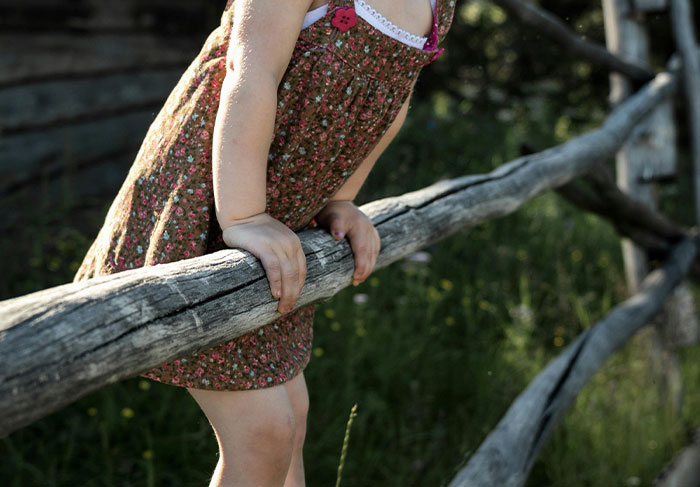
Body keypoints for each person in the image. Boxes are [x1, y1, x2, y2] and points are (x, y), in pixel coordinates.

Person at [73, 0, 455, 485]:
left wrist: (340, 198)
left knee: (290, 422)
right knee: (263, 432)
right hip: (209, 208)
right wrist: (245, 215)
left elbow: (391, 103)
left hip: (280, 226)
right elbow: (250, 73)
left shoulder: (434, 5)